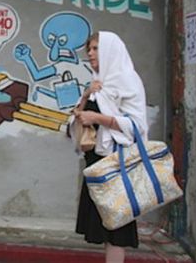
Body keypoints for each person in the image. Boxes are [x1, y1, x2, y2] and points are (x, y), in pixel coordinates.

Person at [71, 31, 148, 263]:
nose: (91, 54)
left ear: (111, 51)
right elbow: (77, 117)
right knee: (104, 226)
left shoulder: (128, 81)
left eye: (96, 48)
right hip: (96, 163)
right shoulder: (98, 84)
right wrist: (86, 95)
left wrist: (98, 118)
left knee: (116, 230)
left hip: (117, 164)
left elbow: (137, 126)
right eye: (89, 50)